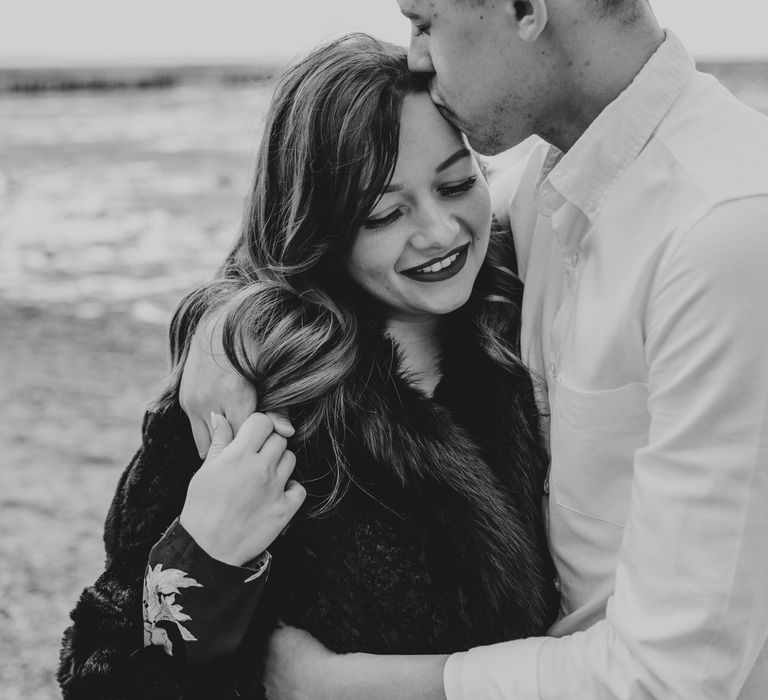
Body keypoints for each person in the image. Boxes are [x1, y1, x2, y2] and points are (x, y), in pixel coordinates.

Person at [181, 1, 768, 698]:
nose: (418, 55)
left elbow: (675, 679)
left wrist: (333, 687)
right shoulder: (561, 185)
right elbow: (343, 232)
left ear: (525, 9)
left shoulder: (724, 230)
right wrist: (225, 324)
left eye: (425, 18)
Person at [57, 34, 558, 699]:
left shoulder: (532, 317)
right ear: (321, 225)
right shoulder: (251, 400)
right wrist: (201, 561)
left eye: (456, 182)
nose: (440, 232)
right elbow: (101, 678)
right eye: (385, 212)